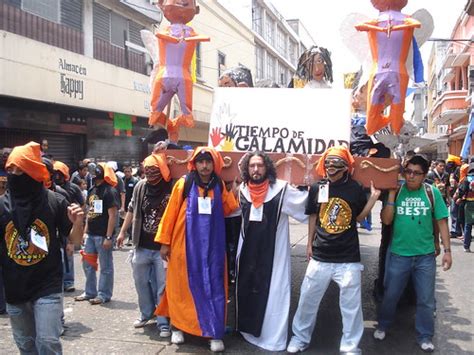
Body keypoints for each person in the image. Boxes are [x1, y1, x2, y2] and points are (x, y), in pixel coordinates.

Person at [287, 146, 380, 354]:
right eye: (328, 162)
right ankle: (300, 337)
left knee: (351, 307)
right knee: (307, 300)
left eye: (336, 163)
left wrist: (373, 200)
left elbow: (358, 218)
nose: (331, 167)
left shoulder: (355, 188)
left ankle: (350, 346)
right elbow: (313, 216)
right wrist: (309, 243)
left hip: (348, 258)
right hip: (321, 255)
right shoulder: (317, 187)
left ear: (346, 166)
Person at [0, 141, 84, 354]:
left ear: (31, 171)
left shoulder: (55, 201)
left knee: (47, 342)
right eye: (10, 169)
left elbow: (75, 241)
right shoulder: (2, 205)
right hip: (15, 287)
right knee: (26, 344)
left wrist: (77, 222)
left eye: (18, 169)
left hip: (47, 284)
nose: (13, 174)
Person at [155, 147, 238, 352]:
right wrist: (165, 243)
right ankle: (178, 327)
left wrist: (234, 188)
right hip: (184, 246)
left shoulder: (218, 184)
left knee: (215, 288)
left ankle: (213, 333)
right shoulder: (184, 184)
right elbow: (170, 214)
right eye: (200, 162)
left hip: (213, 248)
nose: (204, 165)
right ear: (194, 163)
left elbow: (229, 208)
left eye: (208, 162)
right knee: (181, 288)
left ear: (214, 164)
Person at [374, 155, 452, 353]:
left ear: (424, 175)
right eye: (408, 171)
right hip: (399, 255)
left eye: (416, 173)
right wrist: (391, 196)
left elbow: (442, 221)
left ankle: (425, 335)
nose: (411, 176)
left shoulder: (431, 192)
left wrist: (447, 251)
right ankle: (383, 324)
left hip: (425, 257)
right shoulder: (397, 191)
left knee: (425, 299)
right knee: (391, 294)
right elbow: (387, 220)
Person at [236, 152, 308, 351]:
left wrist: (321, 190)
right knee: (248, 288)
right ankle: (248, 330)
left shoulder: (281, 189)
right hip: (248, 251)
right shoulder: (242, 189)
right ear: (247, 169)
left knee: (274, 291)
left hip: (273, 253)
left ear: (267, 167)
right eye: (252, 166)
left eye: (260, 165)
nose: (256, 170)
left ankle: (272, 339)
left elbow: (305, 205)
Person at [116, 153, 172, 336]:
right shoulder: (140, 186)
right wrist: (123, 231)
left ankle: (163, 321)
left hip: (162, 249)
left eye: (154, 171)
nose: (150, 174)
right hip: (141, 245)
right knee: (140, 282)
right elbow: (132, 210)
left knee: (162, 287)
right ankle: (146, 313)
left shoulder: (171, 186)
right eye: (147, 171)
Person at [75, 163, 120, 305]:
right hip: (91, 234)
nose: (94, 175)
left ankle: (104, 294)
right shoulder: (92, 190)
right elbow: (90, 212)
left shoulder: (110, 191)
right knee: (88, 264)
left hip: (103, 235)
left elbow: (112, 215)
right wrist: (85, 231)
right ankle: (90, 292)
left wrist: (108, 237)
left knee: (105, 267)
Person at [53, 161, 86, 293]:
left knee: (68, 252)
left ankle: (68, 281)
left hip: (69, 223)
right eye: (55, 173)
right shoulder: (51, 188)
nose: (57, 176)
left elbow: (82, 204)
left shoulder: (72, 188)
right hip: (55, 223)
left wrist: (76, 217)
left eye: (59, 174)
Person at [121, 164, 139, 245]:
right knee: (124, 221)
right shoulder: (122, 180)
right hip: (124, 205)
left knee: (131, 222)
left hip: (132, 205)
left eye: (128, 171)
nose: (127, 173)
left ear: (131, 172)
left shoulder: (135, 181)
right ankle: (125, 237)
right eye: (125, 172)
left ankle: (131, 238)